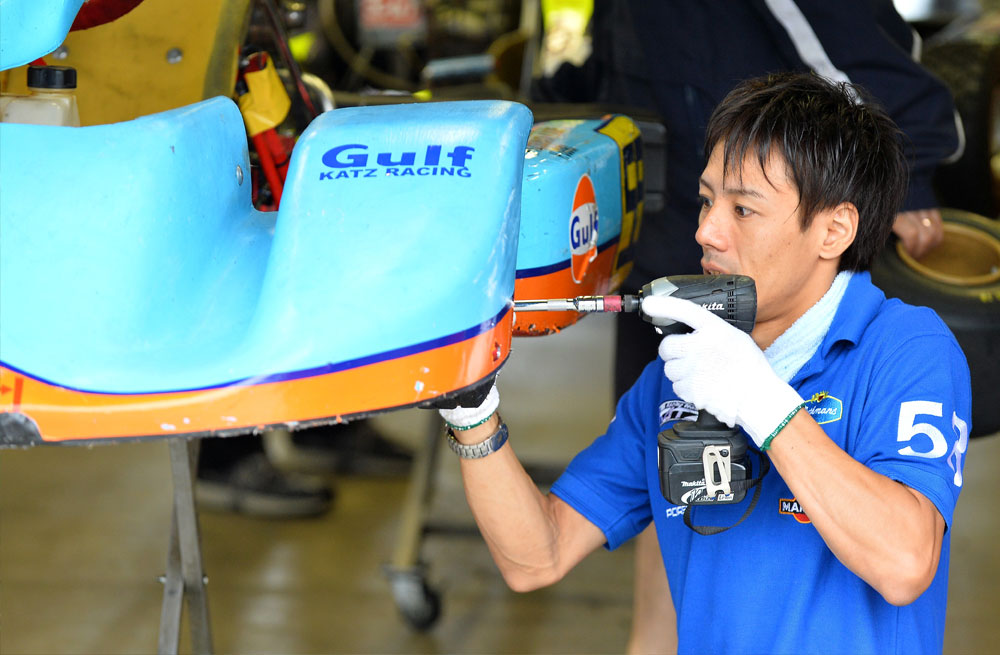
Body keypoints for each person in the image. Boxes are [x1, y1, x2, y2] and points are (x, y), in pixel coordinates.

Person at [441, 72, 971, 653]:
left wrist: (761, 402)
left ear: (834, 230)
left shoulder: (904, 348)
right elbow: (537, 557)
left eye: (743, 209)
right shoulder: (678, 376)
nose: (706, 231)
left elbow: (904, 562)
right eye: (706, 200)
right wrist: (473, 413)